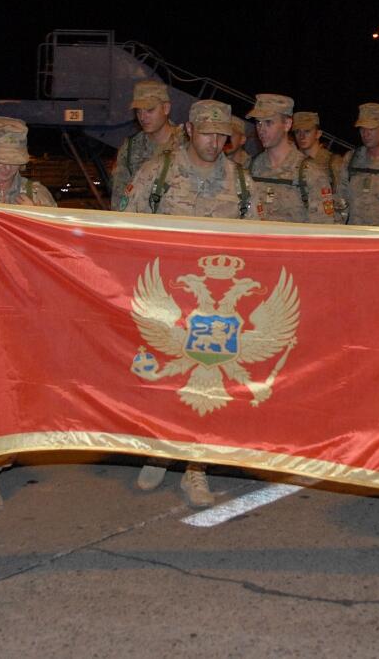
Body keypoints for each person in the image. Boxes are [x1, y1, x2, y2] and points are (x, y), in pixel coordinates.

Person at [123, 100, 261, 506]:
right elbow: (127, 230)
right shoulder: (158, 173)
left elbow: (258, 241)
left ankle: (194, 467)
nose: (215, 142)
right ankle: (159, 450)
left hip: (214, 311)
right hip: (165, 301)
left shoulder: (240, 181)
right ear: (188, 129)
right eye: (207, 133)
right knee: (162, 380)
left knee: (203, 386)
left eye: (222, 135)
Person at [0, 116, 56, 514]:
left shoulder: (36, 195)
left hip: (13, 315)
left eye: (12, 161)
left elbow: (57, 259)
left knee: (1, 392)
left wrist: (36, 222)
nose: (5, 169)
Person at [246, 94, 335, 224]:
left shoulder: (310, 174)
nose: (261, 129)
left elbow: (323, 229)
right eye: (258, 122)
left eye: (268, 122)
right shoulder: (249, 168)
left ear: (287, 124)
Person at [110, 79, 185, 211]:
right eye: (139, 111)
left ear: (166, 108)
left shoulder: (186, 145)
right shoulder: (130, 148)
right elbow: (119, 199)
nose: (143, 117)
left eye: (150, 110)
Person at [337, 103, 379, 226]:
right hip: (354, 236)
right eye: (362, 129)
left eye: (371, 129)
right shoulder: (351, 159)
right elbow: (340, 199)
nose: (365, 134)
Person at [0, 116, 56, 207]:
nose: (7, 168)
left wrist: (34, 215)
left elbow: (56, 221)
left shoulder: (36, 193)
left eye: (14, 161)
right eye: (0, 161)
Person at [292, 111, 342, 188]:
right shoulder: (290, 161)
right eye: (297, 132)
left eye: (307, 131)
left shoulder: (333, 163)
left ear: (318, 134)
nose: (302, 136)